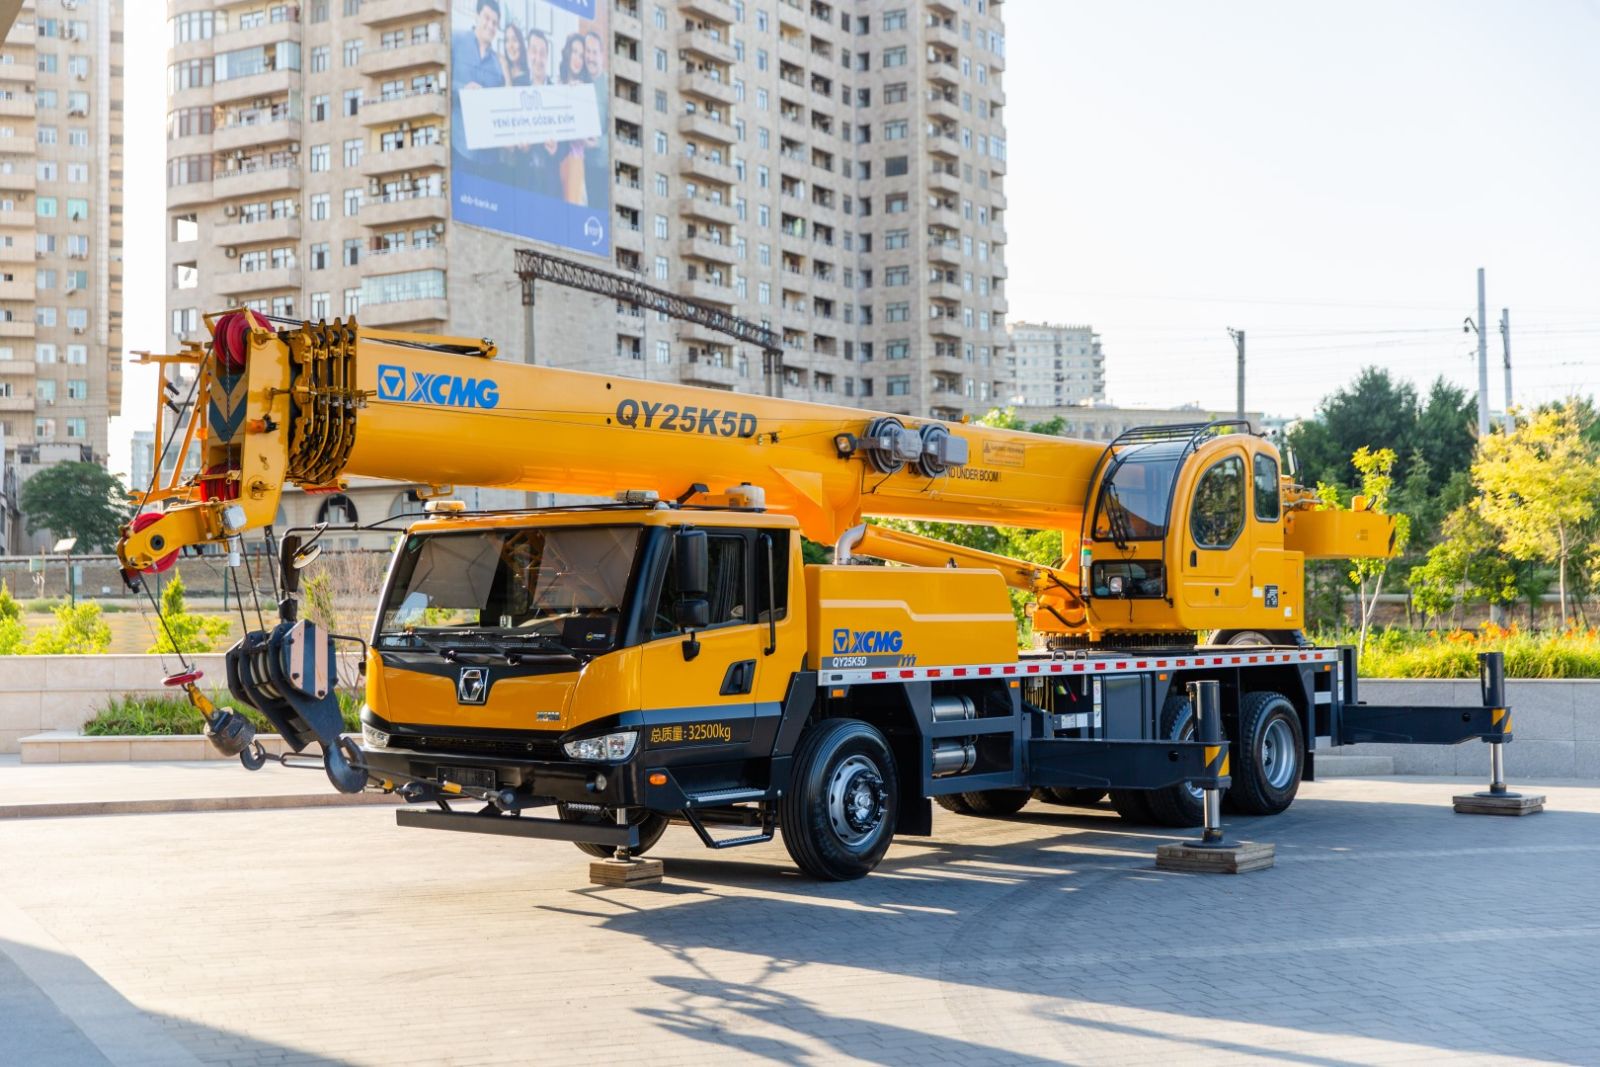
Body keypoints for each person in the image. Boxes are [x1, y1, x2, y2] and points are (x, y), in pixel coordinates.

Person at [450, 0, 505, 172]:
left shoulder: (498, 66)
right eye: (487, 18)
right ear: (476, 16)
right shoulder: (455, 40)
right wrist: (462, 90)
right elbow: (436, 82)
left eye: (495, 23)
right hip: (457, 147)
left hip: (487, 159)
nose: (490, 25)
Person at [556, 33, 589, 206]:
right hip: (556, 161)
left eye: (581, 55)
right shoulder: (556, 85)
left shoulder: (585, 90)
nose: (577, 59)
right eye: (574, 52)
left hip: (575, 161)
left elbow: (590, 138)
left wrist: (578, 97)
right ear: (568, 53)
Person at [582, 30, 609, 210]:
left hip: (601, 170)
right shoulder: (578, 81)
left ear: (602, 55)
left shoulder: (609, 86)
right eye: (588, 52)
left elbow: (619, 134)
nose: (590, 57)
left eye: (594, 52)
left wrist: (598, 143)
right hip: (579, 166)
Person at [501, 22, 531, 87]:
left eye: (514, 40)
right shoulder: (500, 71)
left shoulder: (529, 78)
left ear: (521, 44)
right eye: (507, 40)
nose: (510, 46)